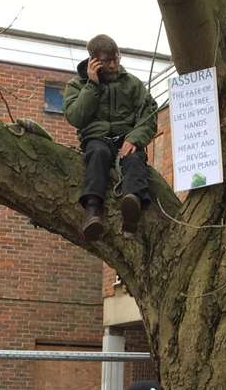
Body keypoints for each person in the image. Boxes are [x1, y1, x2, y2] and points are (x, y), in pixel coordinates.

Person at [63, 33, 159, 241]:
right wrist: (92, 85)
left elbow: (149, 114)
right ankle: (92, 211)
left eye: (117, 58)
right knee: (97, 154)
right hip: (97, 138)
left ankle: (131, 207)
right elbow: (76, 116)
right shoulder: (77, 85)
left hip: (127, 137)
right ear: (94, 61)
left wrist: (134, 138)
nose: (115, 65)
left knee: (134, 159)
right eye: (108, 61)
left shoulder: (132, 84)